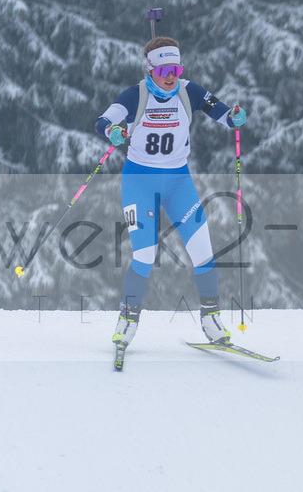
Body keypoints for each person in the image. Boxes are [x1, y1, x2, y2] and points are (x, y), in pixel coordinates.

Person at [96, 36, 247, 349]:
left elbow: (219, 110)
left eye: (175, 68)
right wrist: (111, 130)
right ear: (150, 69)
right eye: (163, 68)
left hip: (179, 182)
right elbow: (104, 120)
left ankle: (210, 318)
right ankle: (127, 320)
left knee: (203, 250)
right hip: (139, 182)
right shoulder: (135, 95)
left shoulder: (188, 90)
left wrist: (233, 117)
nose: (170, 75)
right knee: (145, 254)